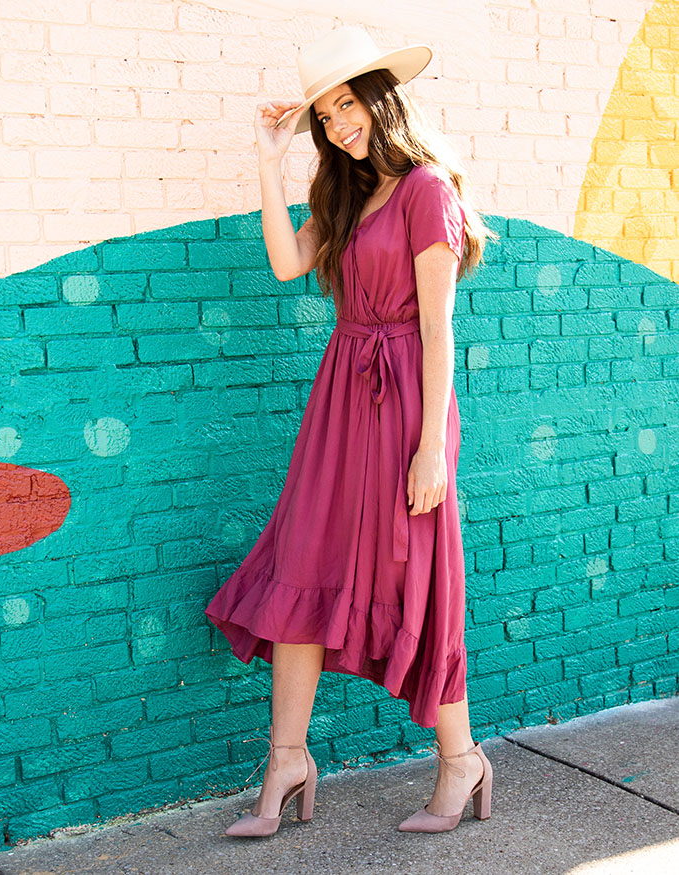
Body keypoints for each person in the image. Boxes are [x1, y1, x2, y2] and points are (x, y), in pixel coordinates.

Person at [204, 24, 499, 838]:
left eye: (347, 106)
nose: (338, 125)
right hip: (341, 398)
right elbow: (285, 263)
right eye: (324, 116)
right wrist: (270, 157)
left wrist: (432, 445)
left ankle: (460, 759)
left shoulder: (426, 189)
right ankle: (287, 759)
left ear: (379, 98)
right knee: (303, 562)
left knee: (419, 580)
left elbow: (438, 331)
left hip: (408, 399)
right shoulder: (345, 194)